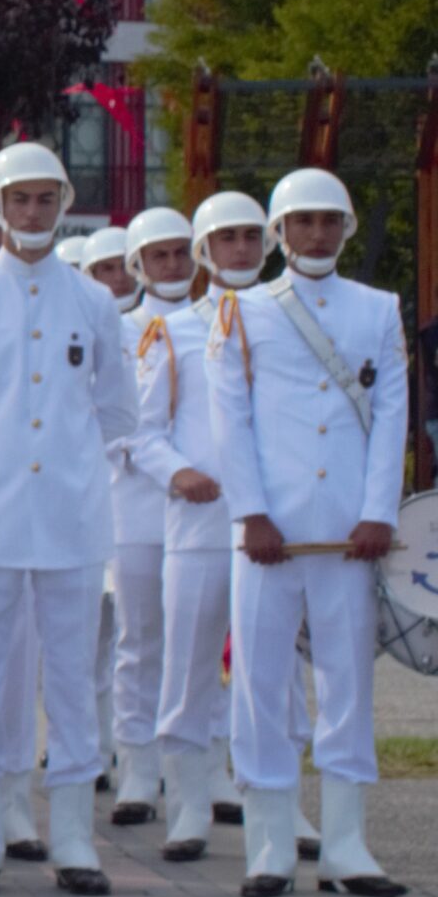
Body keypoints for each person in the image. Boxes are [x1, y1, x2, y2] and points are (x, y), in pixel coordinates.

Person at [0, 144, 133, 897]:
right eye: (21, 200)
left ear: (63, 202)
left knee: (73, 679)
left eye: (47, 199)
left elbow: (117, 411)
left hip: (72, 520)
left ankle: (75, 836)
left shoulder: (96, 302)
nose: (34, 213)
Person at [208, 168, 409, 897]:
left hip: (349, 531)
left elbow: (392, 417)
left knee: (348, 684)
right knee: (260, 687)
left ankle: (349, 847)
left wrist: (379, 511)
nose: (317, 233)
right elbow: (230, 420)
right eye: (303, 222)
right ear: (279, 233)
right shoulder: (243, 311)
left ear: (347, 228)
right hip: (270, 532)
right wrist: (251, 512)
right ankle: (269, 847)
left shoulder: (378, 309)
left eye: (329, 220)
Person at [131, 195, 254, 863]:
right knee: (186, 665)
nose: (240, 250)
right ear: (206, 250)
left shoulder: (282, 321)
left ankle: (279, 805)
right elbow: (142, 431)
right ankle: (187, 807)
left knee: (272, 673)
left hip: (272, 526)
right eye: (226, 238)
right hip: (199, 520)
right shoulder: (174, 332)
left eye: (251, 237)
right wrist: (177, 473)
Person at [103, 210, 192, 827]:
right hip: (136, 504)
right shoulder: (116, 330)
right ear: (138, 264)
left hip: (205, 509)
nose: (172, 266)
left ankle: (206, 765)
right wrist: (171, 470)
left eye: (181, 253)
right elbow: (111, 424)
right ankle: (136, 765)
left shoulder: (219, 321)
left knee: (203, 643)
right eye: (158, 256)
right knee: (139, 640)